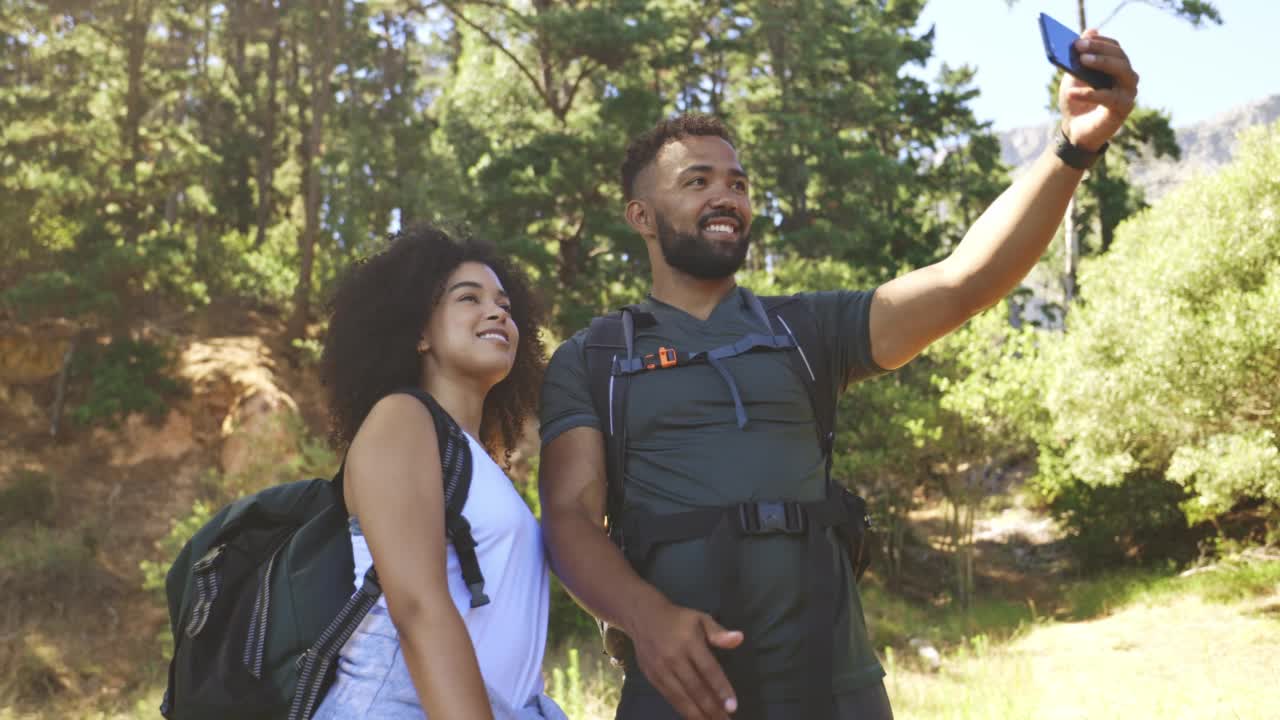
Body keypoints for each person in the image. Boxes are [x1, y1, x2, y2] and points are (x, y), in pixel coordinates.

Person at [538, 29, 1139, 720]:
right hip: (681, 688)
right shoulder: (595, 357)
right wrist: (648, 621)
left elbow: (963, 282)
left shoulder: (808, 330)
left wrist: (1075, 144)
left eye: (737, 182)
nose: (726, 195)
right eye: (696, 181)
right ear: (640, 216)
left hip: (833, 684)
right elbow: (568, 518)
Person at [311, 224, 567, 720]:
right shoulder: (402, 419)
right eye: (468, 298)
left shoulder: (475, 459)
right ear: (419, 333)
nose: (497, 312)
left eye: (506, 306)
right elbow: (418, 609)